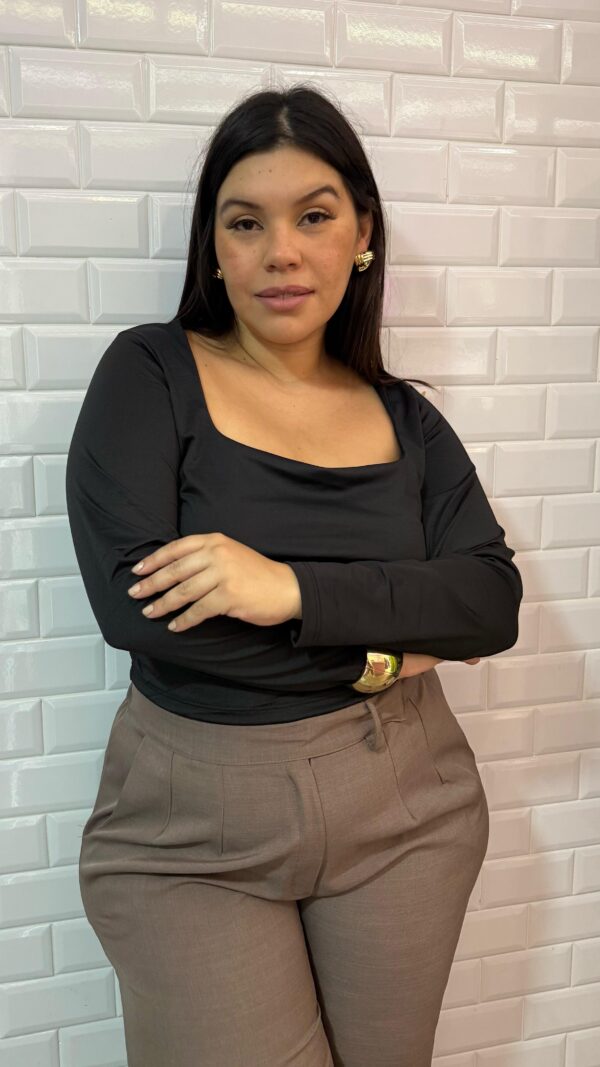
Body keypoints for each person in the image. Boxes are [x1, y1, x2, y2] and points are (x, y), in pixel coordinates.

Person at [66, 85, 523, 1067]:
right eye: (247, 223)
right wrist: (387, 652)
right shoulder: (151, 375)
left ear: (363, 235)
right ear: (214, 249)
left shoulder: (408, 420)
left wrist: (289, 589)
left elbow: (489, 601)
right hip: (194, 829)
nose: (282, 251)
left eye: (314, 216)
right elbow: (141, 613)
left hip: (408, 808)